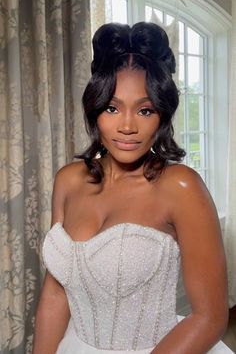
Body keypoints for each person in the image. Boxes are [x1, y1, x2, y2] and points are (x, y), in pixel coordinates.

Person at [33, 22, 228, 354]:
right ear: (95, 110)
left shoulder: (181, 187)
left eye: (144, 110)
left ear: (161, 116)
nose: (126, 126)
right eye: (112, 108)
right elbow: (56, 292)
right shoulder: (68, 180)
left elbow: (209, 317)